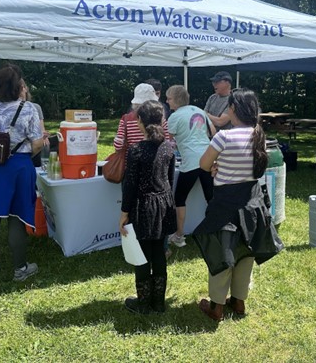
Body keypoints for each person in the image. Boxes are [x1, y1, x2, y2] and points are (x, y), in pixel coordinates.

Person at [194, 88, 284, 321]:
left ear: (233, 109)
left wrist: (216, 167)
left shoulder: (223, 137)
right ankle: (239, 301)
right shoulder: (259, 136)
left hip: (225, 203)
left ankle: (217, 307)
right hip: (252, 203)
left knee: (222, 253)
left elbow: (204, 164)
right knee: (246, 252)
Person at [0, 65, 43, 281]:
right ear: (20, 86)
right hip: (19, 166)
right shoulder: (29, 108)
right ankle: (20, 268)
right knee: (17, 217)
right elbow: (38, 144)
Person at [118, 100, 177, 314]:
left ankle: (143, 303)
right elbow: (169, 180)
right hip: (163, 205)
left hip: (143, 207)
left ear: (139, 121)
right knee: (159, 253)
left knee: (142, 255)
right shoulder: (169, 148)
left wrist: (124, 213)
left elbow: (130, 185)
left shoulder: (136, 151)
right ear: (162, 120)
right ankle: (158, 302)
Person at [165, 85, 215, 249]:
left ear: (177, 100)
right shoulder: (200, 110)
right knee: (211, 197)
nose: (167, 101)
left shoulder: (174, 116)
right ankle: (216, 231)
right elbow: (213, 132)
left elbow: (167, 139)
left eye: (169, 98)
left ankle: (179, 235)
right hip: (208, 157)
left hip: (191, 161)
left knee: (179, 198)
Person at [113, 83, 168, 154]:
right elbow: (167, 140)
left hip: (133, 160)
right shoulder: (160, 117)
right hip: (157, 159)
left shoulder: (126, 119)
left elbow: (118, 145)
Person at [21, 81, 50, 167]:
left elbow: (42, 130)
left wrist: (44, 136)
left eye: (22, 87)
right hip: (21, 148)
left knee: (45, 144)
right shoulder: (9, 109)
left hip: (34, 144)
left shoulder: (36, 107)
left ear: (26, 89)